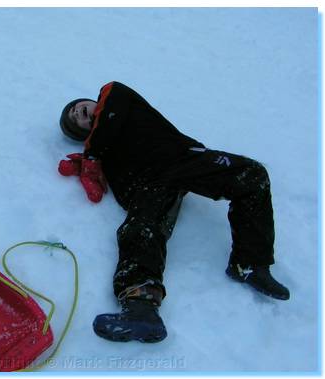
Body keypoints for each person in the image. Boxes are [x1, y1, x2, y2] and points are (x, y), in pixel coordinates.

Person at [57, 81, 290, 343]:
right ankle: (141, 309)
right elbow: (124, 193)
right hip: (150, 184)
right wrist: (98, 165)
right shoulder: (103, 153)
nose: (78, 113)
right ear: (83, 134)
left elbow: (113, 100)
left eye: (77, 108)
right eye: (75, 120)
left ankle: (249, 263)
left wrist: (92, 153)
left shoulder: (114, 97)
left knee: (252, 175)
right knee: (140, 229)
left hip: (181, 159)